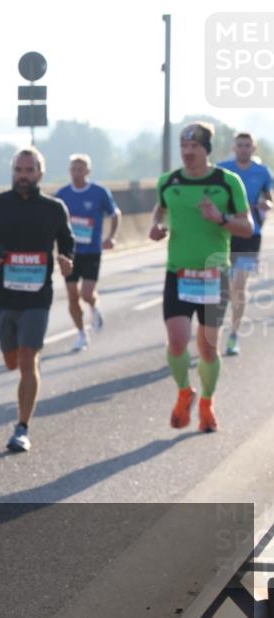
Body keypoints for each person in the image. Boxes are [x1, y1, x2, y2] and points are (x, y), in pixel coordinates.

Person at [0, 147, 74, 453]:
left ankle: (22, 427)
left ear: (40, 173)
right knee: (11, 360)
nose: (23, 176)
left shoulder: (54, 208)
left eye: (29, 170)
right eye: (18, 170)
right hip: (5, 295)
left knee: (28, 358)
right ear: (12, 172)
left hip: (39, 296)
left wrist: (67, 258)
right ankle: (21, 406)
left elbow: (67, 241)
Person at [149, 122, 252, 432]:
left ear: (207, 149)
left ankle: (207, 401)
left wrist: (219, 219)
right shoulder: (169, 181)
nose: (188, 152)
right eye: (184, 146)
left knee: (207, 349)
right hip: (177, 274)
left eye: (194, 146)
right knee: (177, 342)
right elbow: (161, 211)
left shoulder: (227, 182)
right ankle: (184, 392)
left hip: (213, 275)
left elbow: (247, 227)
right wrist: (158, 227)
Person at [55, 154, 121, 351]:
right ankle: (82, 334)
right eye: (73, 168)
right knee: (72, 295)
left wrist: (111, 237)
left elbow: (114, 213)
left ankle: (94, 306)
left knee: (86, 293)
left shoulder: (99, 192)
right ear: (69, 171)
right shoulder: (62, 194)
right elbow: (51, 221)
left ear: (88, 171)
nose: (77, 172)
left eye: (80, 169)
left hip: (92, 251)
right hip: (69, 252)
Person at [217, 132, 273, 356]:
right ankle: (213, 331)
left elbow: (270, 198)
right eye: (239, 145)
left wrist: (265, 203)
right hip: (223, 232)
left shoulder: (262, 172)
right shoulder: (222, 169)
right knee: (221, 287)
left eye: (247, 145)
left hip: (251, 234)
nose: (243, 149)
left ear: (253, 149)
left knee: (238, 287)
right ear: (233, 148)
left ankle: (234, 335)